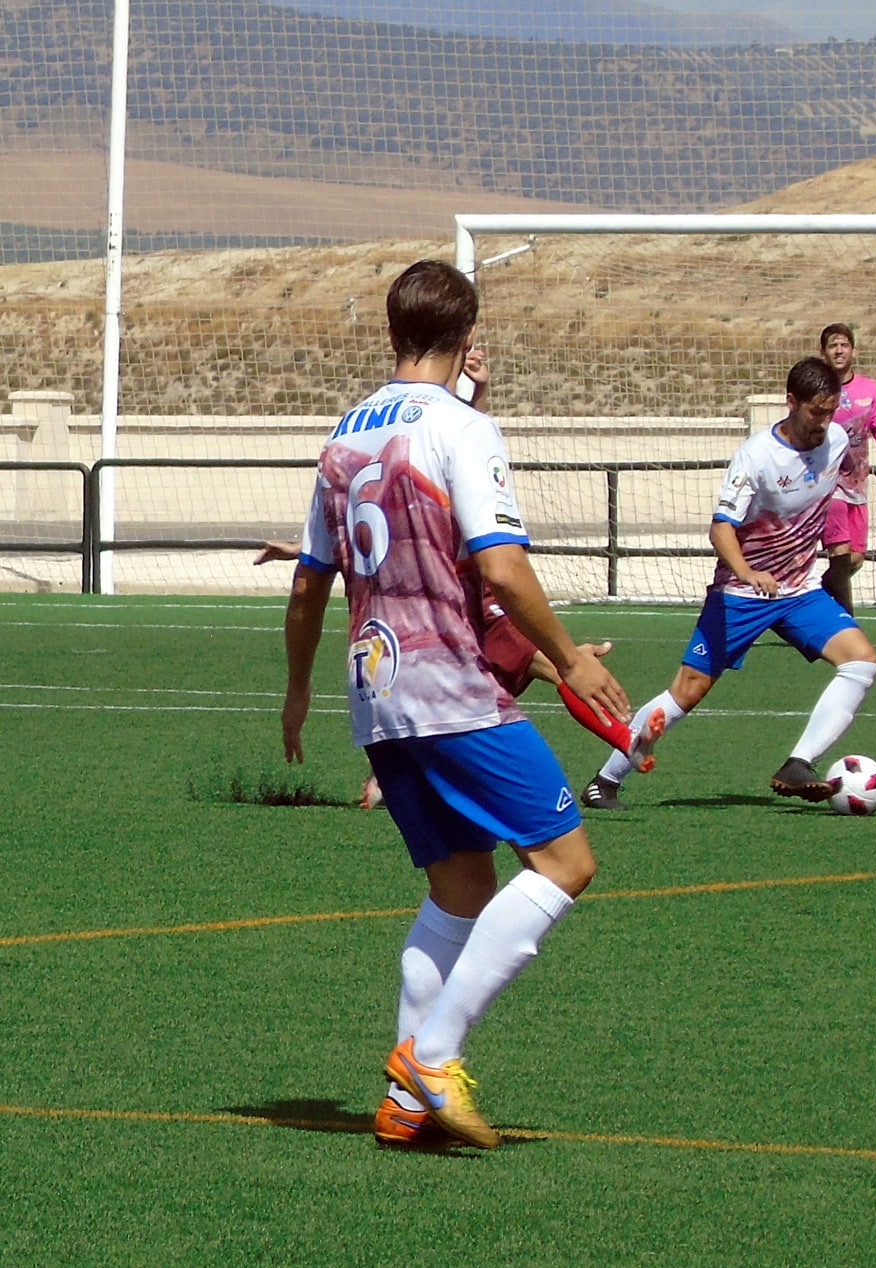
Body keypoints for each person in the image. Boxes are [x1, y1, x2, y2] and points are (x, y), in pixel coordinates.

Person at [281, 258, 634, 1150]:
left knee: (461, 885)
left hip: (377, 695)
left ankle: (405, 1101)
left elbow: (307, 583)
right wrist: (567, 661)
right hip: (451, 691)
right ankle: (431, 1058)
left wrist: (294, 691)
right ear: (467, 338)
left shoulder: (343, 434)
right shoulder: (462, 427)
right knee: (565, 862)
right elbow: (502, 565)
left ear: (392, 330)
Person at [581, 355, 876, 810]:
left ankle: (798, 763)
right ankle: (604, 781)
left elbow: (838, 488)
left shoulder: (836, 439)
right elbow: (720, 527)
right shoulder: (756, 456)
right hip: (742, 594)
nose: (824, 422)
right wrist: (747, 572)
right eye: (815, 411)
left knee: (862, 662)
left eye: (831, 410)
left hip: (799, 590)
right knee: (687, 691)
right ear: (791, 402)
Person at [257, 540, 664, 809]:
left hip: (472, 603)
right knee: (556, 668)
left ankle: (394, 773)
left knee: (502, 685)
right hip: (470, 607)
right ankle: (626, 741)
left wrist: (304, 549)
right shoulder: (450, 460)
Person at [817, 323, 876, 613]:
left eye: (844, 345)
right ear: (823, 352)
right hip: (827, 485)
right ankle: (847, 622)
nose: (839, 350)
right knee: (840, 555)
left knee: (855, 559)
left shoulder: (869, 389)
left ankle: (810, 598)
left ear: (853, 350)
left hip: (857, 484)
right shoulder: (816, 389)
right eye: (833, 345)